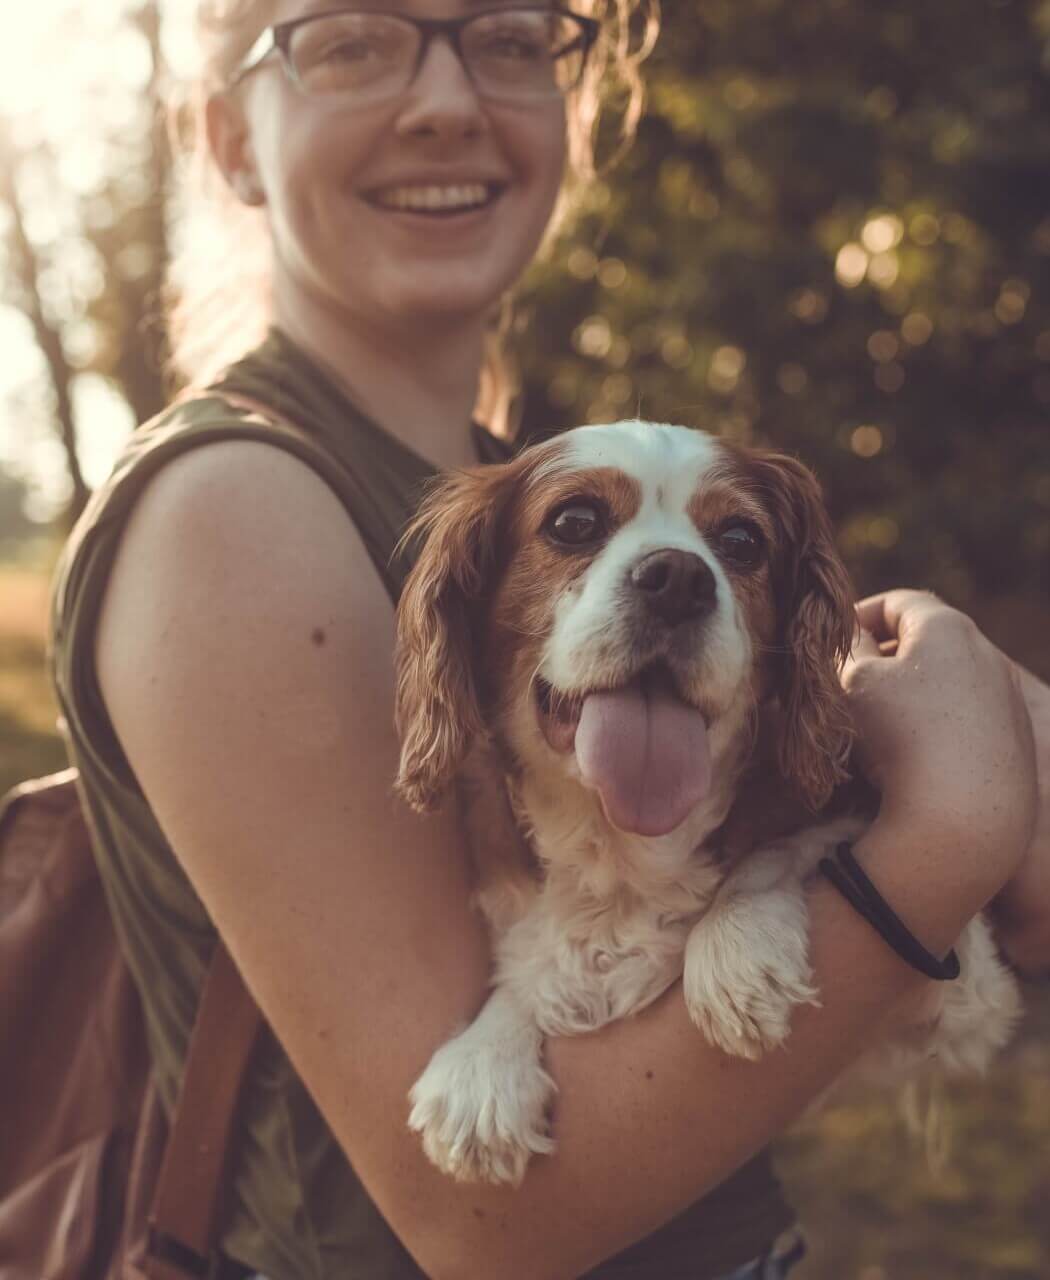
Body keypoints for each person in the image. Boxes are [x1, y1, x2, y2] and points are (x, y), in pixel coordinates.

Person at [45, 2, 1048, 1278]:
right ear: (229, 134)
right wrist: (953, 831)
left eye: (509, 39)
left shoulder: (507, 484)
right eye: (354, 38)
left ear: (572, 110)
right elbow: (478, 1217)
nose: (448, 98)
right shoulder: (231, 508)